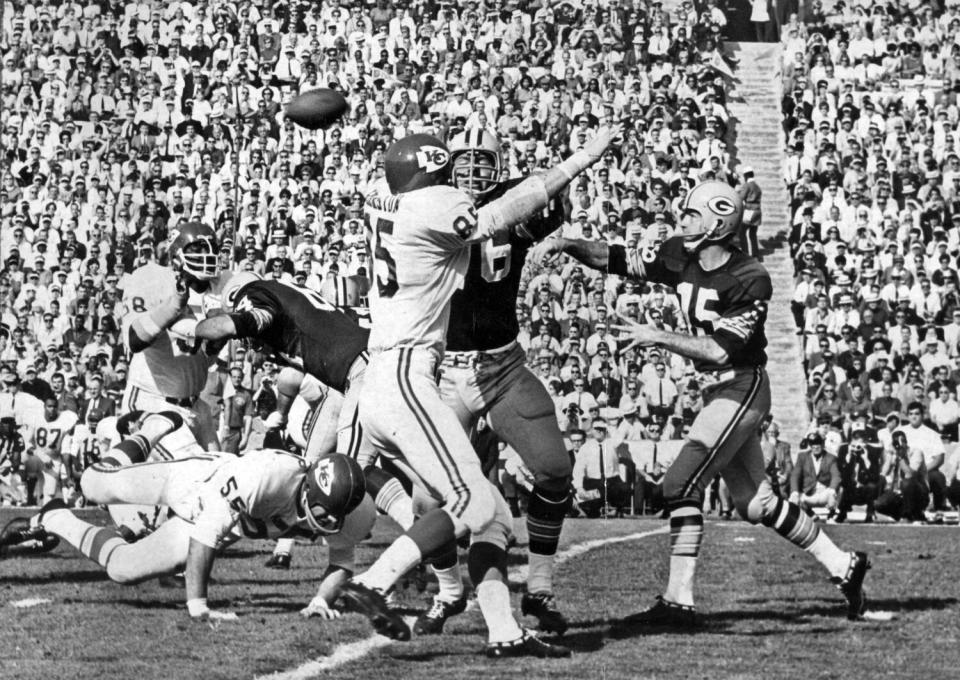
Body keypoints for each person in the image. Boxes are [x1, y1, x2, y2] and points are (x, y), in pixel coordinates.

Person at [531, 180, 870, 626]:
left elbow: (719, 350)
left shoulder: (750, 277)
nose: (682, 220)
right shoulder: (680, 255)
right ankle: (845, 566)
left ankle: (679, 600)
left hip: (741, 385)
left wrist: (655, 336)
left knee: (679, 485)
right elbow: (615, 258)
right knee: (757, 505)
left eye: (692, 214)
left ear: (718, 220)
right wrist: (569, 244)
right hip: (717, 390)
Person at [340, 127, 615, 656]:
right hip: (414, 375)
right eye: (449, 170)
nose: (458, 178)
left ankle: (506, 631)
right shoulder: (440, 210)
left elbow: (529, 208)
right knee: (467, 499)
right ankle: (378, 581)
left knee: (491, 513)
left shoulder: (386, 198)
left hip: (403, 372)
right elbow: (501, 211)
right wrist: (583, 156)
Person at [409, 128, 574, 635]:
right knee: (426, 495)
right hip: (444, 371)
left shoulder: (507, 211)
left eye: (485, 162)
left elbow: (549, 199)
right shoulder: (430, 213)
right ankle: (448, 591)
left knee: (553, 469)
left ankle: (540, 589)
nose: (475, 171)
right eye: (464, 161)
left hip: (502, 365)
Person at [0, 411, 373, 622]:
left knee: (122, 569)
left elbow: (342, 558)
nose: (329, 521)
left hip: (222, 522)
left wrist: (322, 599)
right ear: (309, 488)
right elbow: (205, 536)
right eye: (325, 510)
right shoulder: (265, 477)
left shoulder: (350, 506)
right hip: (192, 483)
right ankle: (152, 431)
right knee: (92, 483)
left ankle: (53, 517)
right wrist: (199, 607)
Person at [120, 222, 228, 451]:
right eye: (198, 249)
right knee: (201, 474)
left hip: (196, 405)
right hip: (154, 402)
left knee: (224, 471)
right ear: (177, 254)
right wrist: (173, 306)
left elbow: (201, 359)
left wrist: (218, 340)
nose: (207, 255)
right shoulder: (151, 278)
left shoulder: (218, 288)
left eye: (211, 249)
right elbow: (134, 340)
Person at [573, 419, 630, 517]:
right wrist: (579, 487)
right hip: (593, 481)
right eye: (596, 428)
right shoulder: (586, 447)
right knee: (592, 513)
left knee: (624, 488)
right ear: (591, 430)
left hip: (611, 481)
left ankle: (616, 510)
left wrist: (608, 426)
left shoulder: (612, 443)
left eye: (601, 429)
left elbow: (620, 436)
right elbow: (578, 469)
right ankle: (592, 507)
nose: (599, 431)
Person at [789, 432, 841, 516]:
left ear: (823, 444)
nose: (815, 447)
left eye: (818, 444)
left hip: (825, 493)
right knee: (793, 499)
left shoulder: (831, 458)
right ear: (809, 445)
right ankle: (810, 514)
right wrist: (794, 493)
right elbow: (795, 475)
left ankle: (832, 515)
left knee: (840, 490)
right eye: (812, 444)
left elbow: (836, 476)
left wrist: (832, 492)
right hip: (808, 493)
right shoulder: (802, 457)